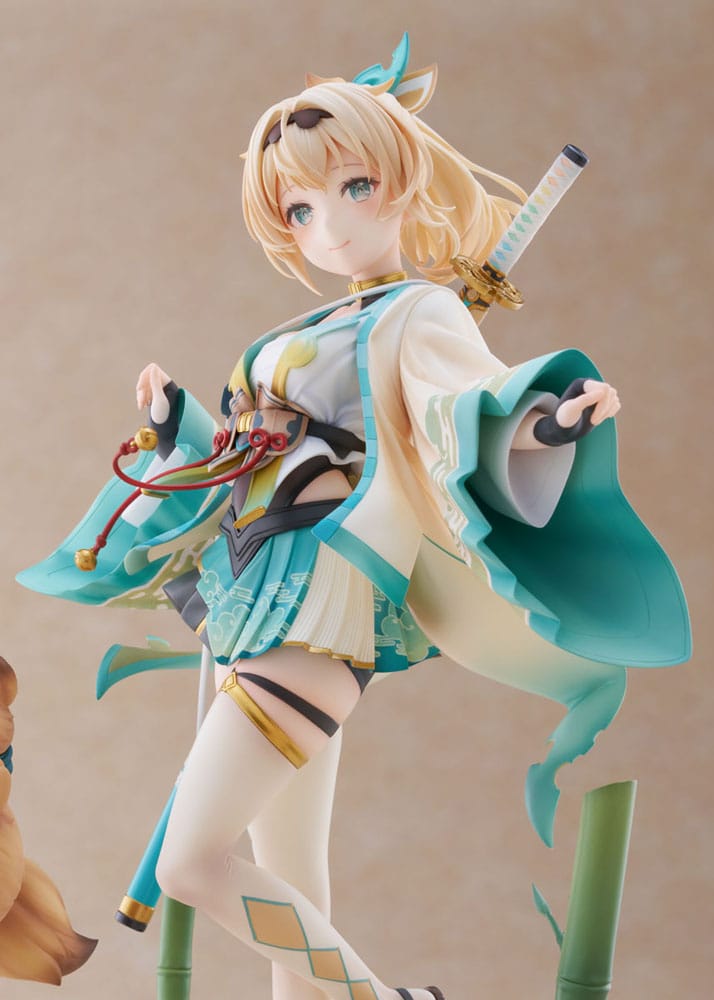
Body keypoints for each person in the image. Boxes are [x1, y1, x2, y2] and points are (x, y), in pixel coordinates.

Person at [18, 39, 689, 1000]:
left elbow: (467, 411)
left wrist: (548, 422)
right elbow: (246, 456)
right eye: (300, 209)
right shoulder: (303, 332)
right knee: (292, 874)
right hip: (249, 593)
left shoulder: (422, 314)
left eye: (353, 188)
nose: (327, 225)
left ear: (402, 184)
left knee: (193, 865)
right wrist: (179, 424)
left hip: (319, 604)